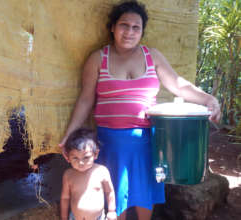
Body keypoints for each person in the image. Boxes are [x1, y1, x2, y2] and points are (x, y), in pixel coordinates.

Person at [60, 1, 221, 219]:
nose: (129, 32)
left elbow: (178, 84)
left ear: (142, 31)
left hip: (148, 141)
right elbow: (85, 100)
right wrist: (70, 133)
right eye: (124, 25)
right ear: (112, 27)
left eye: (136, 27)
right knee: (114, 200)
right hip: (111, 143)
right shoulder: (98, 58)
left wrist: (209, 99)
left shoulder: (151, 56)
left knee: (145, 196)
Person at [60, 128, 117, 220]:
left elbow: (109, 191)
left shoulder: (101, 171)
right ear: (68, 156)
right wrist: (63, 217)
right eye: (75, 158)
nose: (81, 163)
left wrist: (112, 211)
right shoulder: (68, 175)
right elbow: (65, 198)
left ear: (96, 154)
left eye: (86, 157)